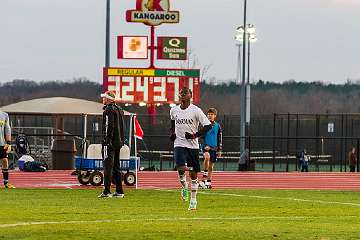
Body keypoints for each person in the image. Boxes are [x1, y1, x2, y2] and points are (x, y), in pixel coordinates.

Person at [170, 87, 212, 210]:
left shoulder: (196, 110)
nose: (182, 94)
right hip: (179, 143)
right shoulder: (173, 110)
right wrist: (172, 133)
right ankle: (184, 186)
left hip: (192, 145)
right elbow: (173, 122)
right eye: (181, 93)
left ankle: (193, 200)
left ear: (190, 95)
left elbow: (208, 126)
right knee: (180, 168)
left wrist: (194, 135)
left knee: (194, 175)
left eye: (185, 93)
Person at [98, 91, 125, 198]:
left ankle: (107, 191)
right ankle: (119, 191)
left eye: (104, 97)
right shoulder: (119, 109)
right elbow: (122, 127)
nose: (103, 99)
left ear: (108, 99)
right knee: (116, 167)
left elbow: (109, 126)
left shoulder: (108, 110)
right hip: (118, 142)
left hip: (110, 143)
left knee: (107, 167)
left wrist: (106, 140)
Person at [199, 108, 222, 189]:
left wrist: (219, 149)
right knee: (207, 157)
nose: (210, 115)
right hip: (205, 147)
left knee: (211, 167)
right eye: (208, 114)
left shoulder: (217, 126)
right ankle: (203, 178)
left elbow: (219, 138)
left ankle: (208, 182)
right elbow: (200, 137)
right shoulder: (204, 125)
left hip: (214, 147)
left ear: (215, 116)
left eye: (211, 114)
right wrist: (205, 145)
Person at [0, 111, 15, 188]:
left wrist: (8, 142)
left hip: (1, 143)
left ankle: (6, 183)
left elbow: (7, 129)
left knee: (5, 161)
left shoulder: (4, 115)